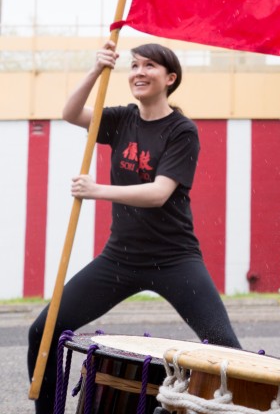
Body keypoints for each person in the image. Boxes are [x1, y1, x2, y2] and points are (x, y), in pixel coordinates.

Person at [28, 40, 241, 414]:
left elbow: (160, 193)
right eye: (134, 65)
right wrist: (97, 68)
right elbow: (71, 112)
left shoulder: (181, 130)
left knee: (226, 349)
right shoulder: (121, 119)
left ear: (170, 78)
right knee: (42, 333)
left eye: (150, 67)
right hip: (119, 259)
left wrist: (97, 190)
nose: (139, 72)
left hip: (175, 259)